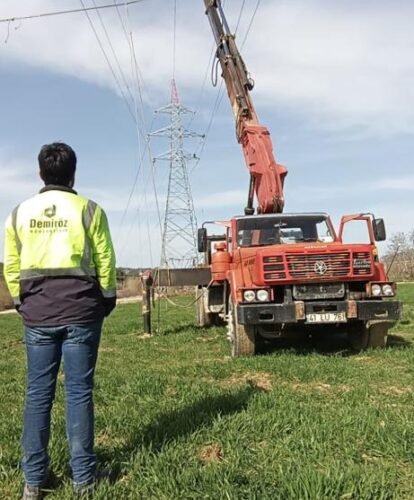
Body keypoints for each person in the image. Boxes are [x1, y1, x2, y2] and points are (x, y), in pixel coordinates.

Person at [3, 142, 117, 499]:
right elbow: (105, 258)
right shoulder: (90, 210)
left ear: (41, 173)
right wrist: (107, 297)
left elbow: (11, 264)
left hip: (38, 313)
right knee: (79, 392)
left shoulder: (19, 213)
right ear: (73, 174)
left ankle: (33, 482)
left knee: (38, 394)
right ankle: (84, 479)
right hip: (82, 311)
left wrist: (21, 301)